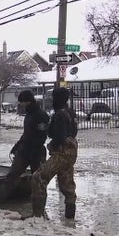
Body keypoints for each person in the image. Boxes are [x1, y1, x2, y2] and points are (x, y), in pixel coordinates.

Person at [0, 90, 49, 208]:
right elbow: (27, 134)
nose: (21, 105)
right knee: (12, 176)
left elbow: (41, 136)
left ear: (28, 101)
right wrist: (18, 145)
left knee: (39, 180)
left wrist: (32, 149)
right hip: (24, 151)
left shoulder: (41, 115)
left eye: (22, 102)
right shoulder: (29, 115)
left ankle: (39, 207)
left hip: (36, 152)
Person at [29, 87, 78, 219]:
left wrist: (52, 144)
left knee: (38, 177)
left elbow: (60, 136)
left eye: (53, 97)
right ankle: (70, 216)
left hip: (61, 152)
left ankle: (37, 215)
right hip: (72, 152)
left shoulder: (59, 115)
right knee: (67, 183)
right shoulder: (71, 112)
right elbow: (73, 132)